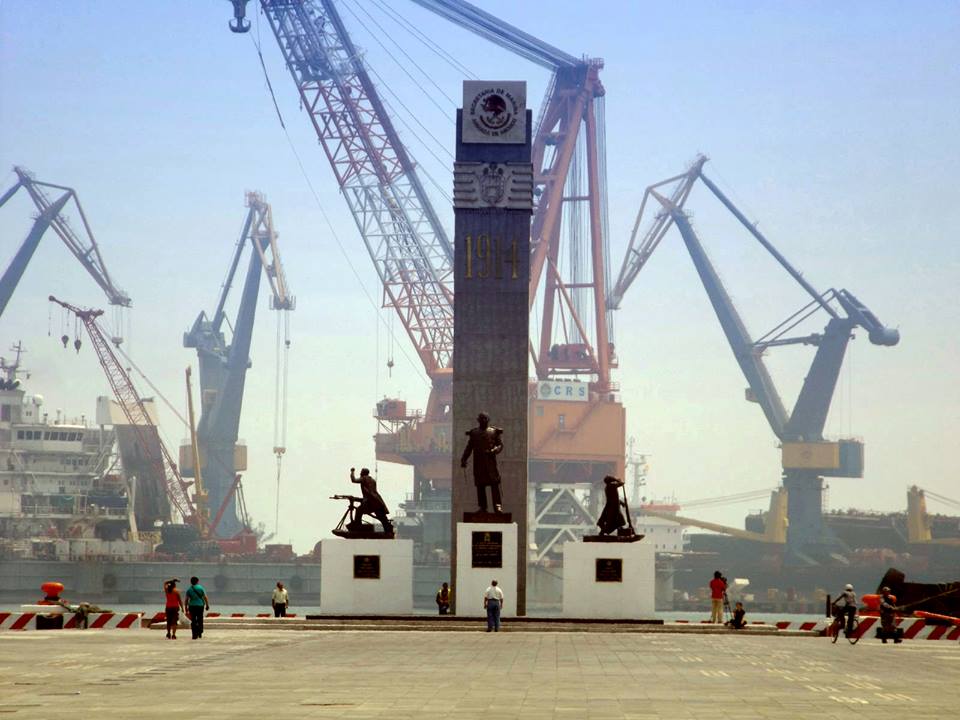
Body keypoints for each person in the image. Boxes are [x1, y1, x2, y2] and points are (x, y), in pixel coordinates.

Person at [460, 412, 504, 513]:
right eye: (481, 419)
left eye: (485, 419)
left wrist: (495, 450)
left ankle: (497, 506)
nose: (483, 421)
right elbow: (469, 448)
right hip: (479, 463)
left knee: (494, 484)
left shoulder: (494, 432)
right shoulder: (474, 433)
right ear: (478, 420)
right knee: (480, 485)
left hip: (490, 463)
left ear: (488, 420)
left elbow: (500, 445)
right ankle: (483, 507)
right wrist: (464, 459)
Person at [350, 467, 393, 533]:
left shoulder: (364, 478)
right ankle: (388, 530)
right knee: (382, 517)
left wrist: (352, 471)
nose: (360, 473)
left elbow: (354, 480)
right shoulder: (373, 480)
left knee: (359, 511)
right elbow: (371, 493)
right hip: (377, 500)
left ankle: (357, 527)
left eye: (361, 472)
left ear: (363, 473)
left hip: (370, 502)